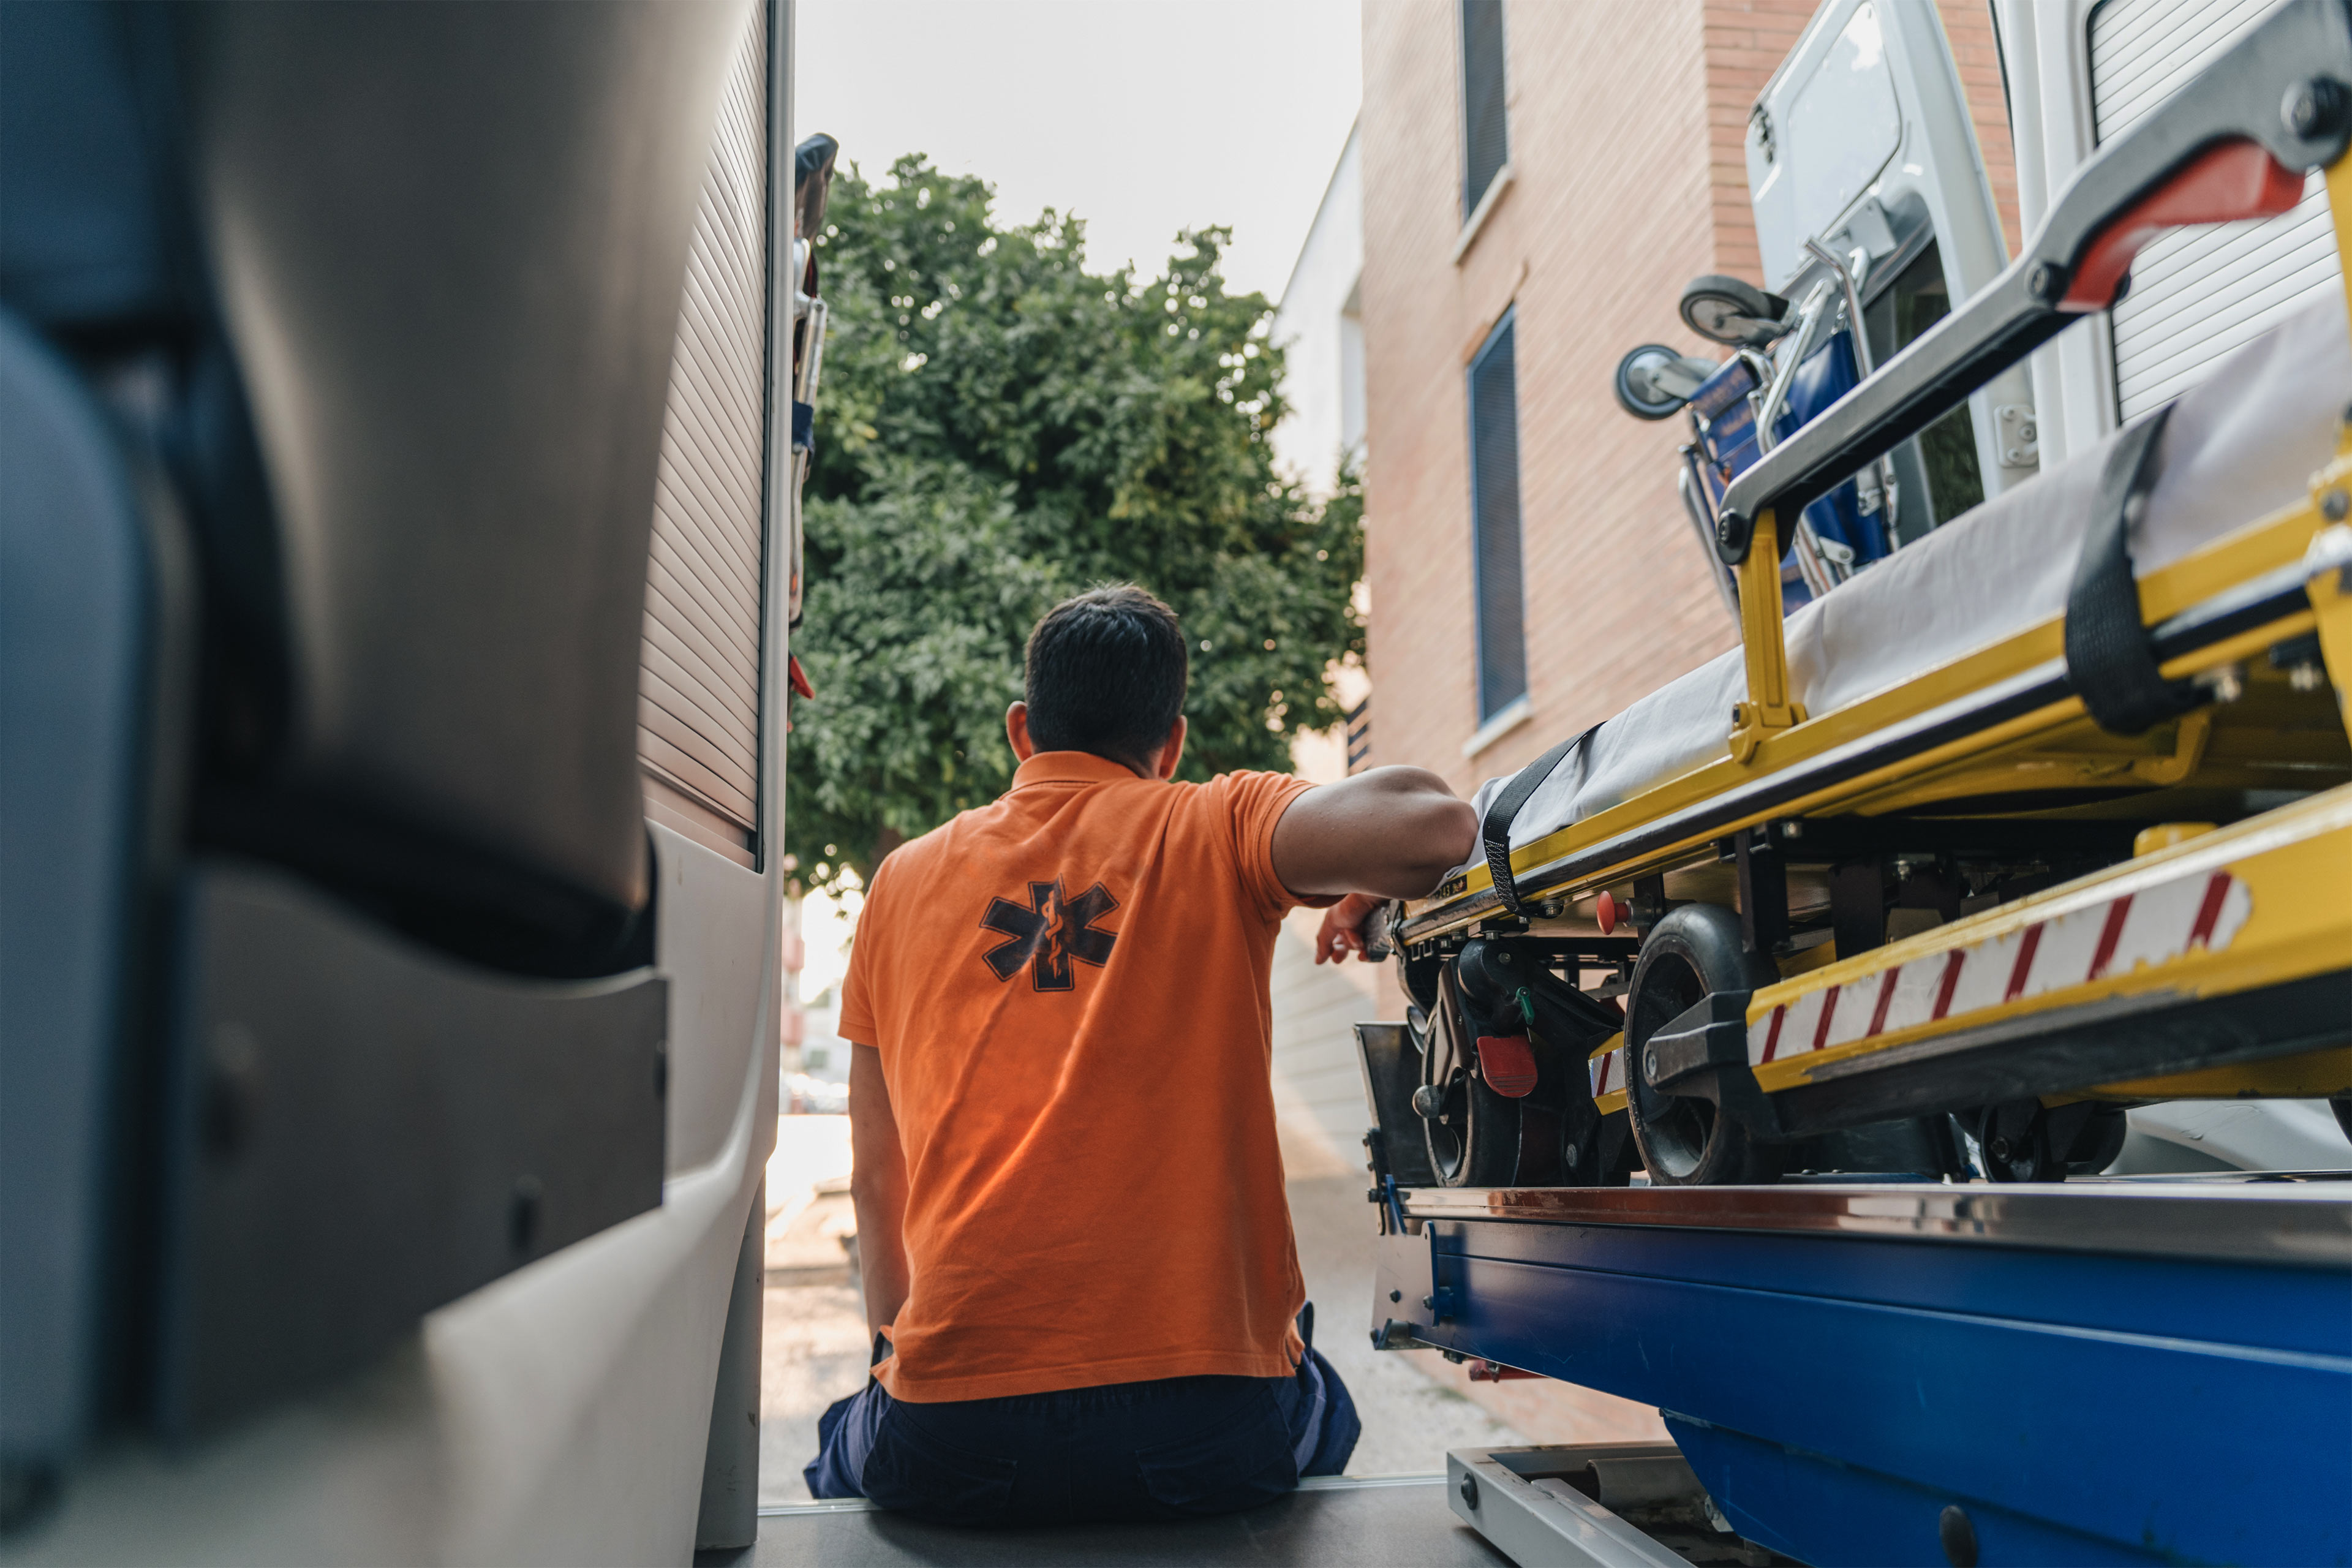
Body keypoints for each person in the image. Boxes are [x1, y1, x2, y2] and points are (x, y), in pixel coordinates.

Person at [804, 584, 1477, 1525]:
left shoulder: (899, 885)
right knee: (1327, 1407)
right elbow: (1439, 828)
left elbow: (878, 1177)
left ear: (1020, 731)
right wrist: (1360, 880)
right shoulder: (1214, 824)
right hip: (1203, 1432)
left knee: (841, 1440)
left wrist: (899, 1359)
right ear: (1171, 743)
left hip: (952, 1438)